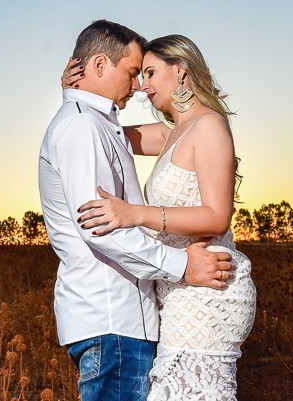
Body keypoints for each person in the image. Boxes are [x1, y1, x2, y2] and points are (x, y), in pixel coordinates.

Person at [38, 20, 234, 401]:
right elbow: (101, 228)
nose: (139, 86)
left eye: (147, 73)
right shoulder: (81, 127)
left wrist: (74, 93)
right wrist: (183, 265)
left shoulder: (104, 125)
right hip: (113, 317)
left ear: (180, 71)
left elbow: (138, 133)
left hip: (141, 315)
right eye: (133, 73)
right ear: (99, 65)